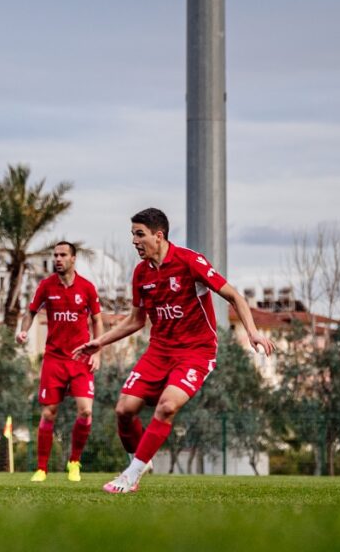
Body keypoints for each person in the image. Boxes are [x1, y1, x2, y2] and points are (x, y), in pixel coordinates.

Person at [73, 208, 273, 493]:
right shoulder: (141, 273)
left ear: (159, 235)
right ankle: (140, 459)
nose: (134, 241)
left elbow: (234, 296)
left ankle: (131, 476)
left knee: (167, 406)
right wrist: (100, 342)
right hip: (159, 352)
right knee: (123, 410)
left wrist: (252, 332)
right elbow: (136, 320)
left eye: (139, 234)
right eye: (132, 235)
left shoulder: (190, 261)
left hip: (196, 351)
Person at [16, 241, 103, 482]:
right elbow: (31, 311)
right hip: (54, 359)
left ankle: (74, 462)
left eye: (63, 255)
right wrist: (23, 330)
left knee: (86, 412)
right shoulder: (46, 286)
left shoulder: (87, 287)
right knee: (49, 413)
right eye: (55, 255)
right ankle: (42, 469)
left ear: (73, 258)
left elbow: (97, 320)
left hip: (81, 358)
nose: (58, 259)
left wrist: (97, 351)